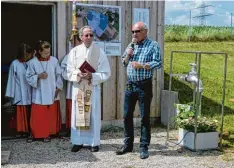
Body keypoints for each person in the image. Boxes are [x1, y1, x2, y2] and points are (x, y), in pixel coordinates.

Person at [116, 22, 162, 159]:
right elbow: (124, 63)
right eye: (133, 31)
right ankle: (128, 145)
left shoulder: (153, 45)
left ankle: (143, 147)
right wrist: (128, 55)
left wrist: (142, 66)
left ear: (145, 31)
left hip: (144, 86)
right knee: (126, 115)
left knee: (144, 117)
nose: (135, 34)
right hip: (130, 85)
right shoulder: (131, 45)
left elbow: (158, 62)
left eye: (137, 31)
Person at [66, 26, 111, 152]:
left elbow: (106, 72)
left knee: (93, 115)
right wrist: (77, 74)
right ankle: (78, 142)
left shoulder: (99, 52)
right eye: (86, 35)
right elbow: (68, 70)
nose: (89, 37)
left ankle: (93, 143)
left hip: (93, 88)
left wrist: (93, 75)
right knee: (78, 114)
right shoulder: (74, 52)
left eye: (91, 35)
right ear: (81, 37)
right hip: (79, 88)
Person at [26, 41, 63, 142]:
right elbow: (28, 77)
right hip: (39, 93)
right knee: (39, 115)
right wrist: (38, 76)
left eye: (49, 52)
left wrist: (58, 88)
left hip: (52, 91)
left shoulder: (54, 60)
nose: (48, 55)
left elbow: (59, 75)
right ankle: (37, 134)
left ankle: (49, 134)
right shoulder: (33, 62)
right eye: (45, 53)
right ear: (39, 51)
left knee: (50, 116)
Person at [5, 43, 34, 137]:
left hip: (30, 90)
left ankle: (29, 129)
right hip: (19, 91)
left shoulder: (31, 62)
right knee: (21, 111)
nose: (29, 57)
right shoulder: (15, 63)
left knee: (30, 110)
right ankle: (21, 130)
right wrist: (10, 95)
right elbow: (11, 79)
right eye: (28, 55)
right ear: (23, 54)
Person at [61, 30, 82, 133]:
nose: (72, 44)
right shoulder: (69, 56)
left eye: (74, 41)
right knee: (72, 107)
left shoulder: (87, 54)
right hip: (72, 86)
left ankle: (82, 129)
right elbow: (63, 70)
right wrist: (73, 74)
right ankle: (71, 128)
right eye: (71, 42)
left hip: (83, 85)